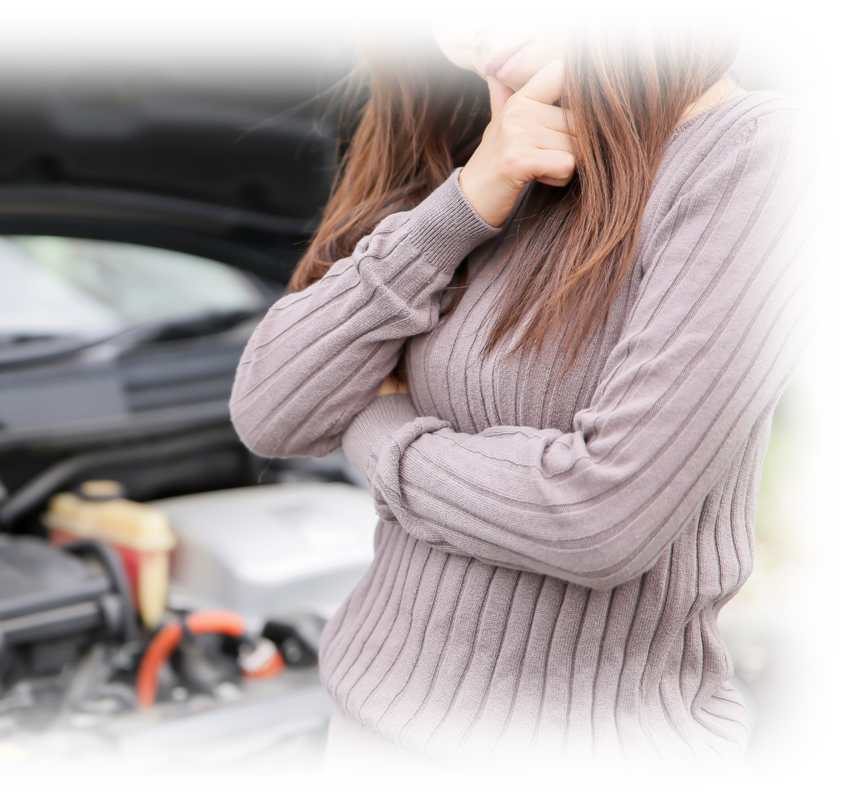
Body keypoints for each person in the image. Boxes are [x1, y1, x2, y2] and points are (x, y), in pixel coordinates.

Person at [229, 9, 834, 789]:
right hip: (364, 759)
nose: (461, 29)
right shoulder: (483, 146)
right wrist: (460, 207)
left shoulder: (758, 152)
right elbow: (270, 410)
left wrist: (380, 432)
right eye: (427, 8)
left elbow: (598, 516)